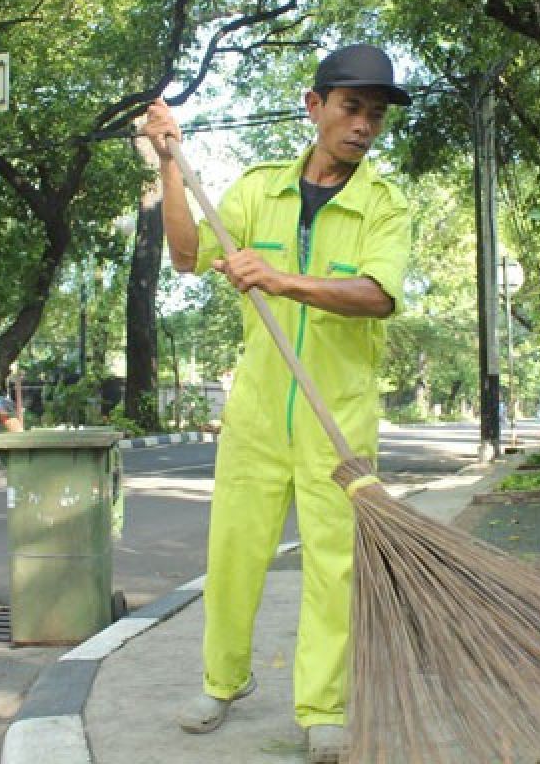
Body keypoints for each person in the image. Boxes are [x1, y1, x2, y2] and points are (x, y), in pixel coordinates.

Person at [140, 44, 412, 764]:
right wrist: (170, 163)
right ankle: (221, 681)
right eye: (351, 107)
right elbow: (187, 251)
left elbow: (378, 296)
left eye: (375, 115)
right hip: (258, 411)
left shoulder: (384, 204)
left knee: (334, 566)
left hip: (337, 415)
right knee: (234, 555)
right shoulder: (260, 190)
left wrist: (286, 280)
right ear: (314, 105)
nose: (362, 126)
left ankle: (323, 706)